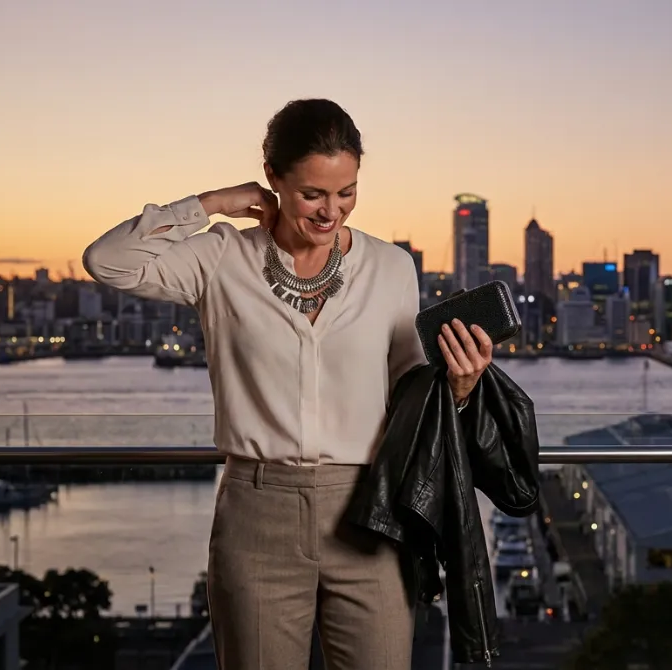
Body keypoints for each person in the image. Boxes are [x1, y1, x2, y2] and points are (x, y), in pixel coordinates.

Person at [82, 98, 495, 669]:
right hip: (257, 515)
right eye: (312, 194)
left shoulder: (392, 268)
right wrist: (212, 204)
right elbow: (109, 261)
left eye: (346, 192)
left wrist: (461, 387)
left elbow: (409, 396)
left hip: (370, 515)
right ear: (274, 179)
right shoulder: (222, 258)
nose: (332, 212)